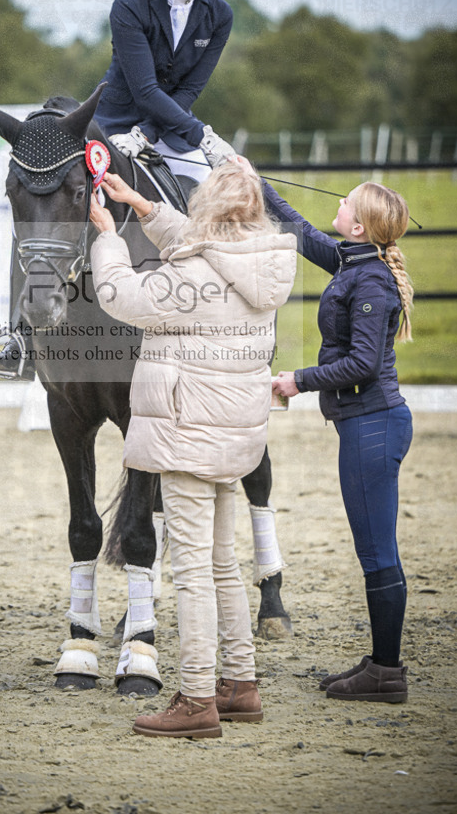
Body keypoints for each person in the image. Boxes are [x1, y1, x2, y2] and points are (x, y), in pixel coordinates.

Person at [88, 162, 297, 738]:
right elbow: (202, 243)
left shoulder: (189, 279)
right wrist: (144, 207)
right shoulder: (258, 261)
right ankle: (239, 683)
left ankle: (198, 696)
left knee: (191, 570)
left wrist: (109, 239)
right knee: (223, 563)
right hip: (234, 436)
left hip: (186, 435)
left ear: (210, 210)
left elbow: (118, 294)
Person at [262, 169, 415, 704]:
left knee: (377, 553)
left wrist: (297, 381)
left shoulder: (369, 280)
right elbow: (300, 230)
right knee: (373, 548)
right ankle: (380, 660)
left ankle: (387, 672)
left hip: (374, 424)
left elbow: (363, 364)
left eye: (347, 201)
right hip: (363, 425)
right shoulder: (355, 263)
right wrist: (251, 181)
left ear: (359, 225)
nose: (340, 200)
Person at [95, 0, 236, 183]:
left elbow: (189, 90)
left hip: (172, 132)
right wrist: (204, 137)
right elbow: (146, 91)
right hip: (116, 127)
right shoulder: (130, 5)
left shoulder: (220, 15)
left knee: (215, 199)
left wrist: (146, 134)